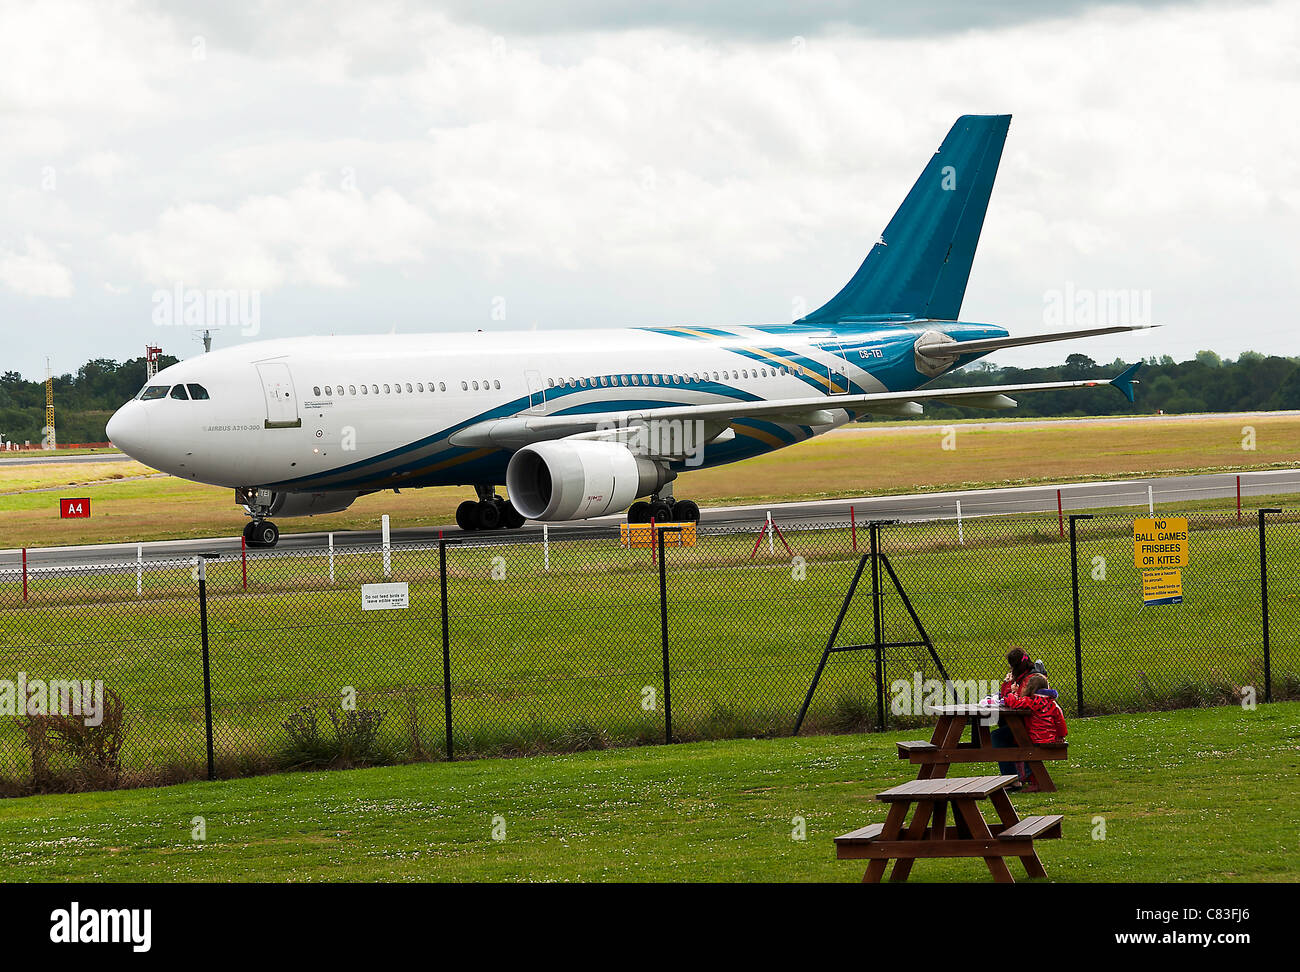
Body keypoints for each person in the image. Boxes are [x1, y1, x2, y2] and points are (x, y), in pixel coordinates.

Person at [1002, 673, 1069, 792]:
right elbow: (1060, 721)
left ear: (1030, 688)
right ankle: (1031, 779)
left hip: (1037, 738)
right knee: (1022, 742)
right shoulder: (1051, 702)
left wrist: (1011, 693)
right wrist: (1061, 736)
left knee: (1024, 746)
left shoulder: (1032, 701)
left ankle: (1035, 781)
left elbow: (1013, 702)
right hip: (1050, 738)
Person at [992, 649, 1035, 785]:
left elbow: (1015, 701)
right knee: (1004, 729)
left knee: (997, 736)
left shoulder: (1029, 679)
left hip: (1031, 724)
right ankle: (1019, 775)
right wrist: (1007, 683)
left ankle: (1011, 778)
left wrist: (1009, 687)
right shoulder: (1025, 675)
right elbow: (1007, 697)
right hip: (1027, 722)